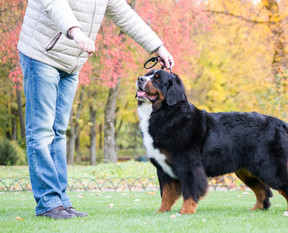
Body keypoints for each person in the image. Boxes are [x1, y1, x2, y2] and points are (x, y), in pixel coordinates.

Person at [18, 0, 174, 219]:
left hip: (71, 61)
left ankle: (61, 202)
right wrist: (76, 33)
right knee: (42, 131)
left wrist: (158, 47)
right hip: (42, 54)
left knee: (59, 132)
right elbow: (54, 3)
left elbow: (124, 14)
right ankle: (48, 202)